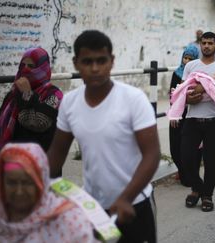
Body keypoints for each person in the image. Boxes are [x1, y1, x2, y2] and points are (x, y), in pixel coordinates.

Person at [47, 30, 160, 243]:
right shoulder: (70, 103)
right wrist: (33, 183)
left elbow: (152, 154)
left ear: (112, 61)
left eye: (101, 60)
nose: (95, 68)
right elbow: (57, 152)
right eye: (87, 61)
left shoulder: (133, 99)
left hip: (134, 205)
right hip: (93, 209)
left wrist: (126, 198)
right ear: (76, 63)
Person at [0, 143, 99, 243]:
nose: (19, 191)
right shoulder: (2, 217)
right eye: (11, 183)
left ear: (41, 183)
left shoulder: (69, 222)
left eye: (27, 183)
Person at [180, 31, 215, 212]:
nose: (207, 46)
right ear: (200, 44)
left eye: (210, 43)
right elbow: (182, 92)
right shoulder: (191, 66)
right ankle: (198, 188)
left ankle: (205, 195)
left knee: (210, 160)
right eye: (204, 43)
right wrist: (188, 99)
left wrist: (201, 91)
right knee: (186, 158)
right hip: (192, 119)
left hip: (214, 120)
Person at [0, 48, 63, 151]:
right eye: (22, 65)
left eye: (31, 66)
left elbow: (38, 123)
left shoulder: (55, 94)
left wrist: (28, 94)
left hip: (40, 160)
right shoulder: (13, 93)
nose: (25, 70)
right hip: (11, 160)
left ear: (43, 68)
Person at [169, 45, 199, 184]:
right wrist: (173, 114)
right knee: (174, 147)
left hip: (191, 114)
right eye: (185, 58)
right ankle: (182, 171)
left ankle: (188, 175)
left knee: (187, 146)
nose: (186, 61)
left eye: (190, 59)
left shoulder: (197, 76)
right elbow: (172, 94)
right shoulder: (176, 73)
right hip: (177, 114)